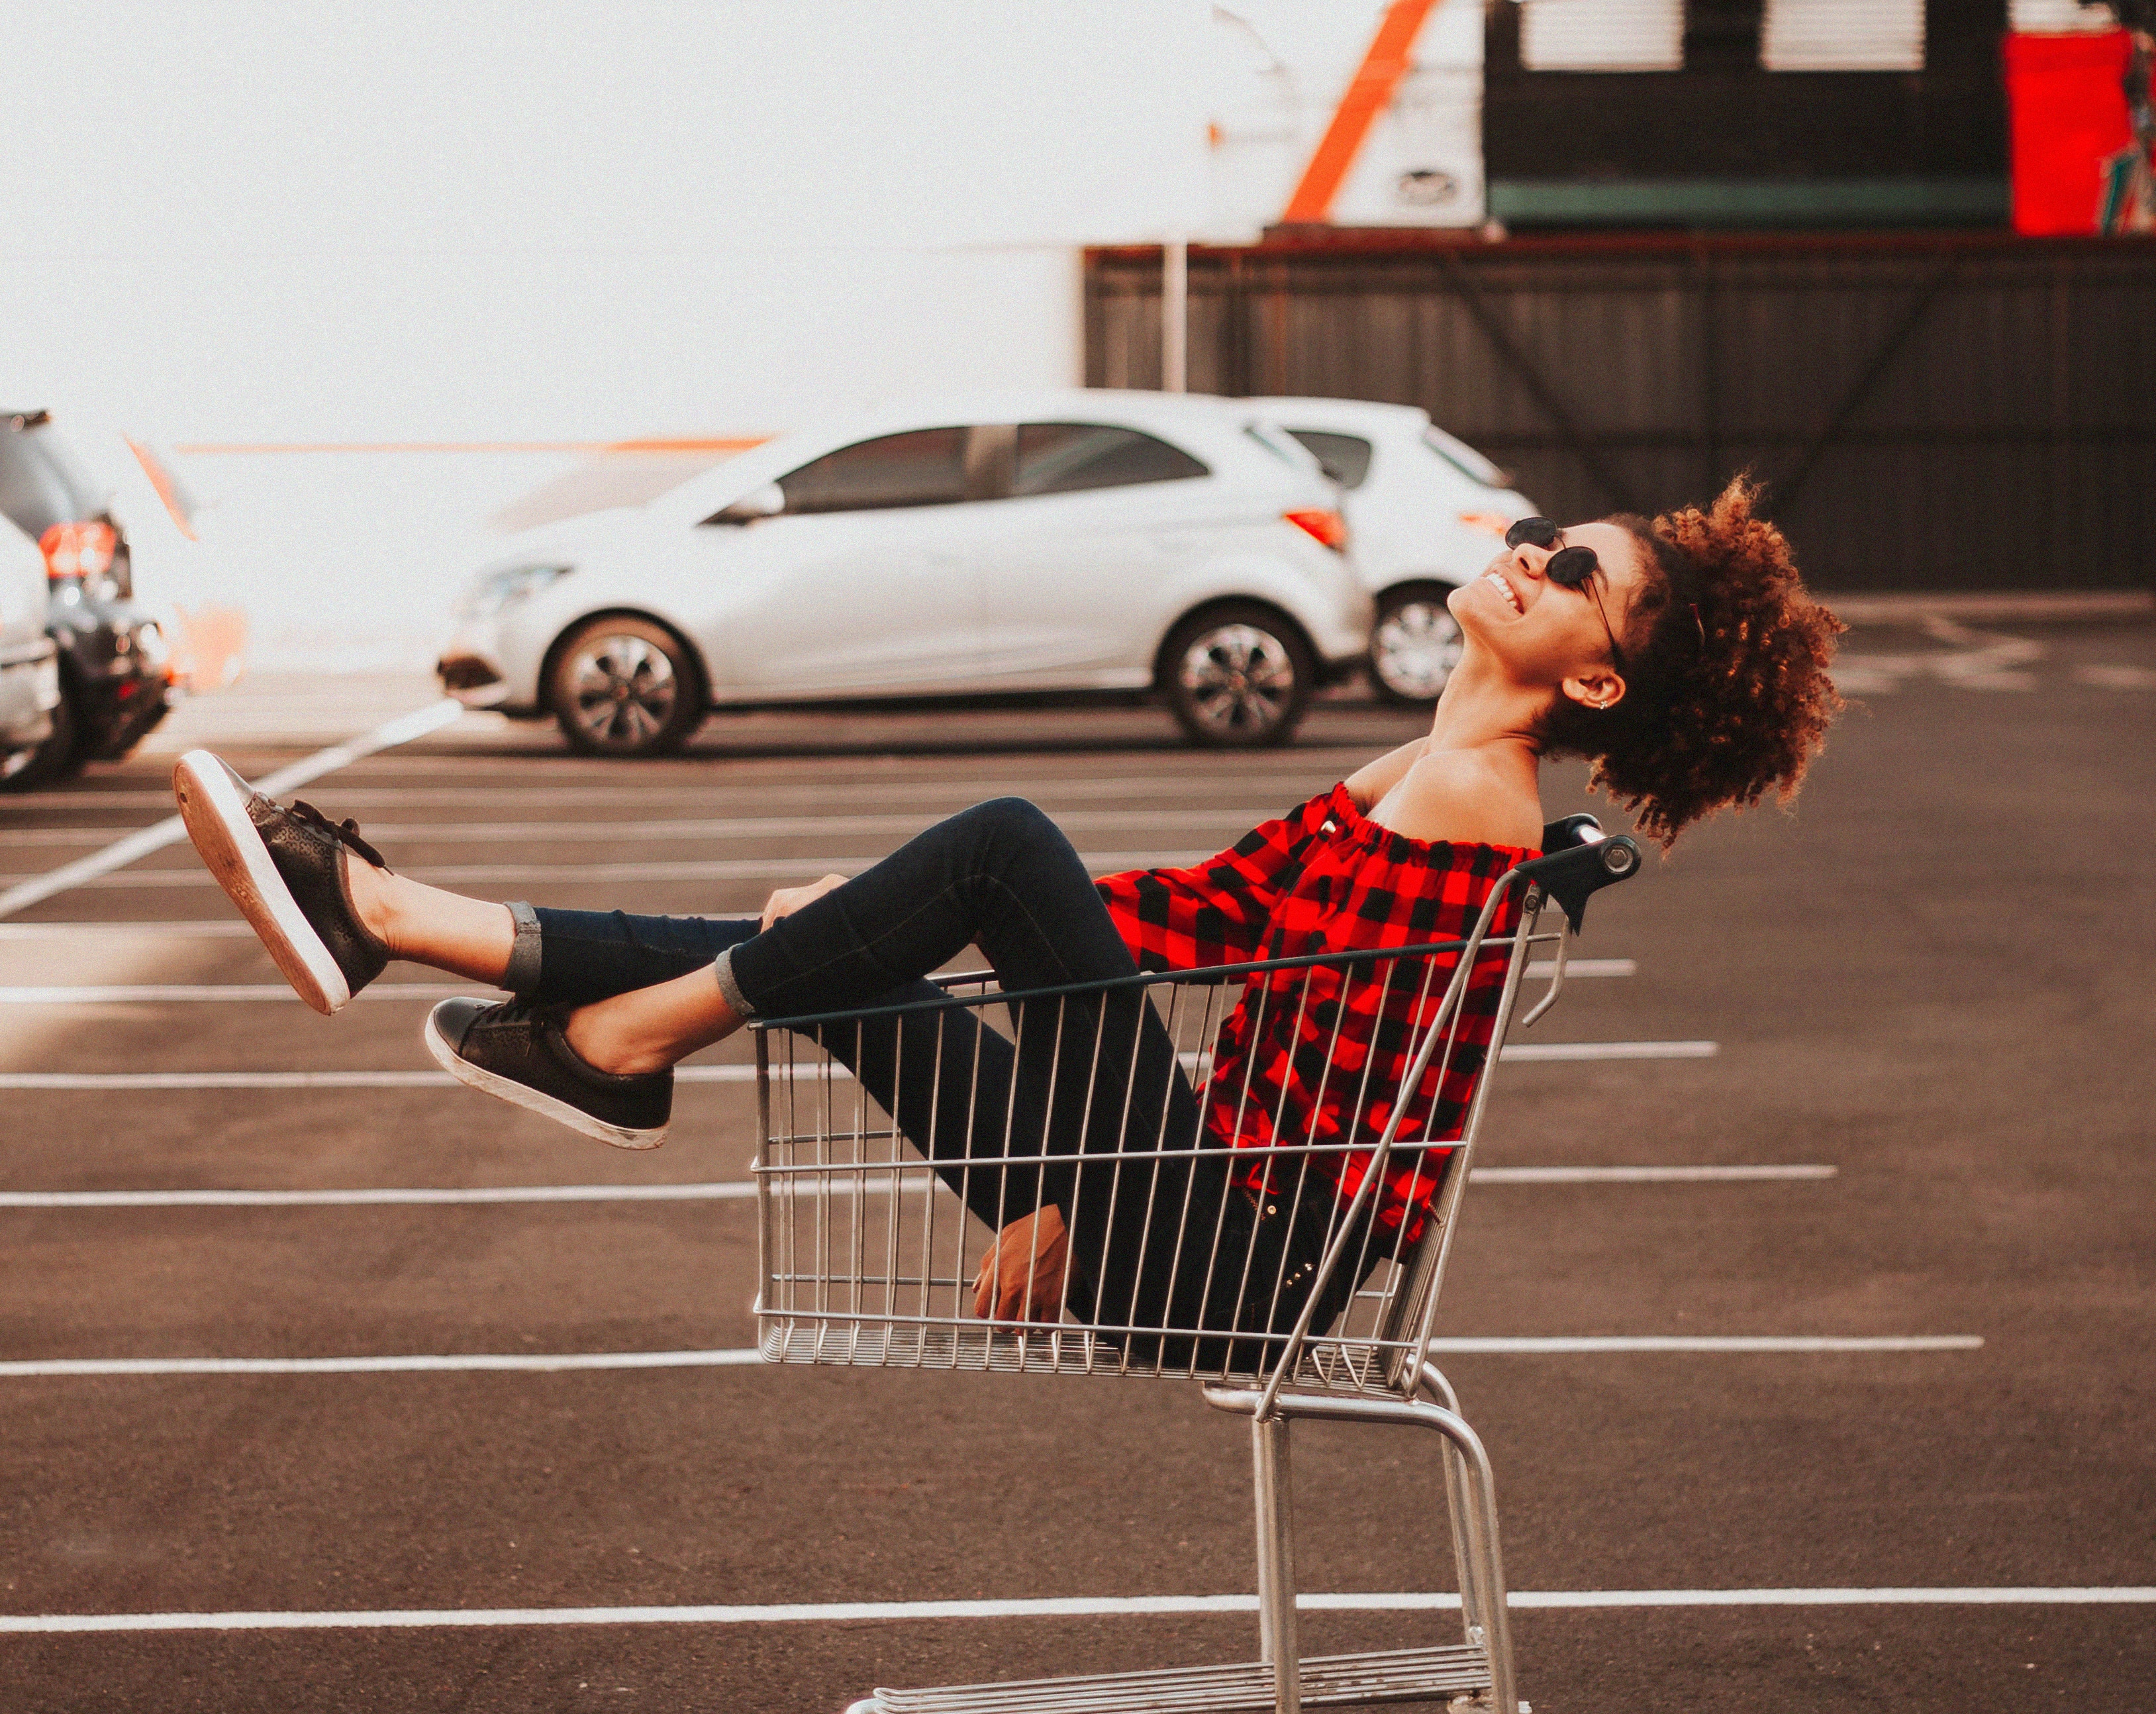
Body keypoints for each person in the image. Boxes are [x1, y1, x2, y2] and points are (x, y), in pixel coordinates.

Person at [174, 482, 1840, 1348]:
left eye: (1574, 577)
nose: (1533, 559)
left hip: (1240, 1255)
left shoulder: (1479, 810)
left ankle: (613, 1032)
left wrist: (1080, 1199)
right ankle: (394, 916)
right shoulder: (1430, 764)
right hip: (1192, 1216)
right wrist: (886, 919)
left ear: (1597, 673)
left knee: (997, 846)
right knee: (855, 951)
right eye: (1549, 541)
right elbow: (1206, 917)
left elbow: (1345, 1114)